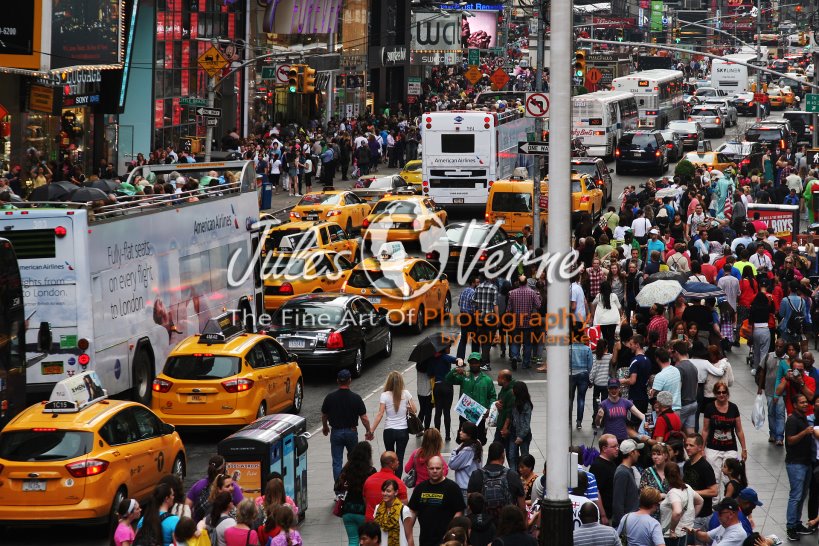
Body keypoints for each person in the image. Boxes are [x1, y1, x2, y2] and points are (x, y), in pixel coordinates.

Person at [321, 369, 374, 482]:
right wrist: (368, 431)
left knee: (337, 462)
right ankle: (352, 484)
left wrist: (325, 427)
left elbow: (324, 415)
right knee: (354, 460)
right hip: (351, 432)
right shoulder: (356, 398)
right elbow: (364, 418)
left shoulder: (330, 397)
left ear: (337, 381)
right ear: (350, 380)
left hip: (336, 432)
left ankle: (338, 488)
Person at [701, 382, 748, 500]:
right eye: (719, 392)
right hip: (713, 448)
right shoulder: (709, 408)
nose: (721, 395)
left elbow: (739, 430)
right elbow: (705, 430)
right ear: (715, 394)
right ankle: (714, 504)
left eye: (724, 392)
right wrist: (702, 449)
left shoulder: (733, 408)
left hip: (730, 448)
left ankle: (729, 502)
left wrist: (744, 449)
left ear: (727, 393)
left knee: (730, 477)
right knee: (714, 477)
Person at [407, 456, 466, 546]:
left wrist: (451, 531)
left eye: (437, 468)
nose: (434, 471)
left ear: (443, 468)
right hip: (425, 540)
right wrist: (408, 533)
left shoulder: (452, 487)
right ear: (427, 469)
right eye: (432, 468)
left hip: (445, 541)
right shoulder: (420, 488)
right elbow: (413, 511)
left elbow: (459, 511)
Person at [467, 441, 526, 524]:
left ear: (489, 456)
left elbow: (470, 506)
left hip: (484, 525)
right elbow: (522, 507)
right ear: (503, 456)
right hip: (507, 525)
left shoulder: (476, 475)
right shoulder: (512, 475)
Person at [446, 352, 497, 445]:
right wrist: (455, 370)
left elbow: (493, 396)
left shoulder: (487, 380)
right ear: (469, 364)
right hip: (465, 414)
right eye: (472, 363)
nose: (474, 365)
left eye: (476, 362)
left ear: (480, 363)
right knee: (462, 441)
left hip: (480, 416)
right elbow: (448, 380)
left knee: (479, 441)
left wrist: (489, 409)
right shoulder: (464, 375)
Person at [785, 393, 816, 541]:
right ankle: (791, 526)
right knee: (796, 496)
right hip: (795, 463)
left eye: (805, 402)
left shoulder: (804, 418)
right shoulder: (792, 420)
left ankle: (797, 523)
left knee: (802, 495)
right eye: (802, 402)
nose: (805, 404)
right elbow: (790, 440)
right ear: (795, 405)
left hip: (806, 462)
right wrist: (805, 432)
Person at [371, 371, 416, 472]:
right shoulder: (406, 393)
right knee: (399, 458)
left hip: (389, 431)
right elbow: (415, 410)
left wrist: (371, 430)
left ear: (389, 382)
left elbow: (380, 414)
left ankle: (390, 478)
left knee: (389, 459)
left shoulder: (384, 395)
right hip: (403, 431)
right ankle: (397, 480)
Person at [337, 441, 376, 545]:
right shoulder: (371, 471)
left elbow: (337, 486)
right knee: (366, 541)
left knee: (353, 540)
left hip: (347, 510)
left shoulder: (347, 469)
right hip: (363, 510)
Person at [186, 455, 244, 522]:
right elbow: (243, 510)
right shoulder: (232, 486)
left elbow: (186, 506)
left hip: (199, 526)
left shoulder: (199, 485)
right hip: (226, 526)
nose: (230, 488)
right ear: (223, 469)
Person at [661, 462, 704, 546]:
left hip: (675, 538)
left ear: (665, 476)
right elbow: (700, 501)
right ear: (679, 474)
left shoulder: (673, 493)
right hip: (688, 532)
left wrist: (672, 530)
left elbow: (677, 511)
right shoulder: (687, 488)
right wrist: (691, 517)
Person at [684, 433, 718, 537]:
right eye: (686, 445)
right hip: (690, 514)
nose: (687, 448)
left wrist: (692, 492)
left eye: (691, 445)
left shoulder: (705, 467)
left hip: (702, 516)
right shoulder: (687, 464)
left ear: (700, 447)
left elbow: (714, 491)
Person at [757, 338, 789, 445]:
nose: (778, 348)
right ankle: (772, 434)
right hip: (769, 390)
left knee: (780, 413)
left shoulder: (788, 359)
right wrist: (760, 387)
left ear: (784, 348)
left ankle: (779, 437)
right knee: (771, 413)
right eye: (776, 346)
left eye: (780, 347)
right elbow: (762, 372)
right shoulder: (768, 356)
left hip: (782, 392)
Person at [363, 451, 408, 522]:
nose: (398, 462)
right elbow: (403, 507)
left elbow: (366, 501)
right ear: (391, 464)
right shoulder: (398, 483)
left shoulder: (369, 480)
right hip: (388, 523)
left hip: (370, 523)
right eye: (396, 460)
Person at [372, 479, 414, 546]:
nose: (385, 493)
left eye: (388, 491)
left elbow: (409, 537)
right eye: (383, 490)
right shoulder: (378, 508)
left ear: (396, 492)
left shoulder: (404, 510)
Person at [611, 438, 643, 527]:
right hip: (626, 524)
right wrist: (623, 525)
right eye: (637, 451)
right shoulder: (622, 472)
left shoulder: (629, 470)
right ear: (631, 453)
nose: (639, 454)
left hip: (631, 521)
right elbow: (618, 502)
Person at [448, 421, 483, 502]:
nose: (460, 432)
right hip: (474, 485)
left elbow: (452, 464)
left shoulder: (467, 450)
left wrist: (456, 450)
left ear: (469, 434)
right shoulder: (477, 443)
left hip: (465, 487)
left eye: (463, 431)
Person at [590, 433, 619, 521]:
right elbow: (596, 491)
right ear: (604, 448)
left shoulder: (612, 463)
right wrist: (603, 515)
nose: (617, 449)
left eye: (617, 446)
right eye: (614, 446)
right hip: (606, 515)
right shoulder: (598, 466)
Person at [570, 327, 594, 430]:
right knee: (581, 398)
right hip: (584, 375)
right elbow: (590, 365)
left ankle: (569, 420)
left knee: (570, 398)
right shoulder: (587, 349)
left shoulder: (569, 348)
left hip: (571, 374)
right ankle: (579, 421)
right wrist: (589, 378)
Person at [510, 381, 534, 468]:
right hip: (514, 433)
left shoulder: (526, 405)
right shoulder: (514, 402)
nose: (512, 390)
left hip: (524, 435)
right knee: (512, 456)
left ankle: (525, 473)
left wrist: (521, 436)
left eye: (513, 389)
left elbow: (526, 423)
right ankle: (514, 474)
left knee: (524, 458)